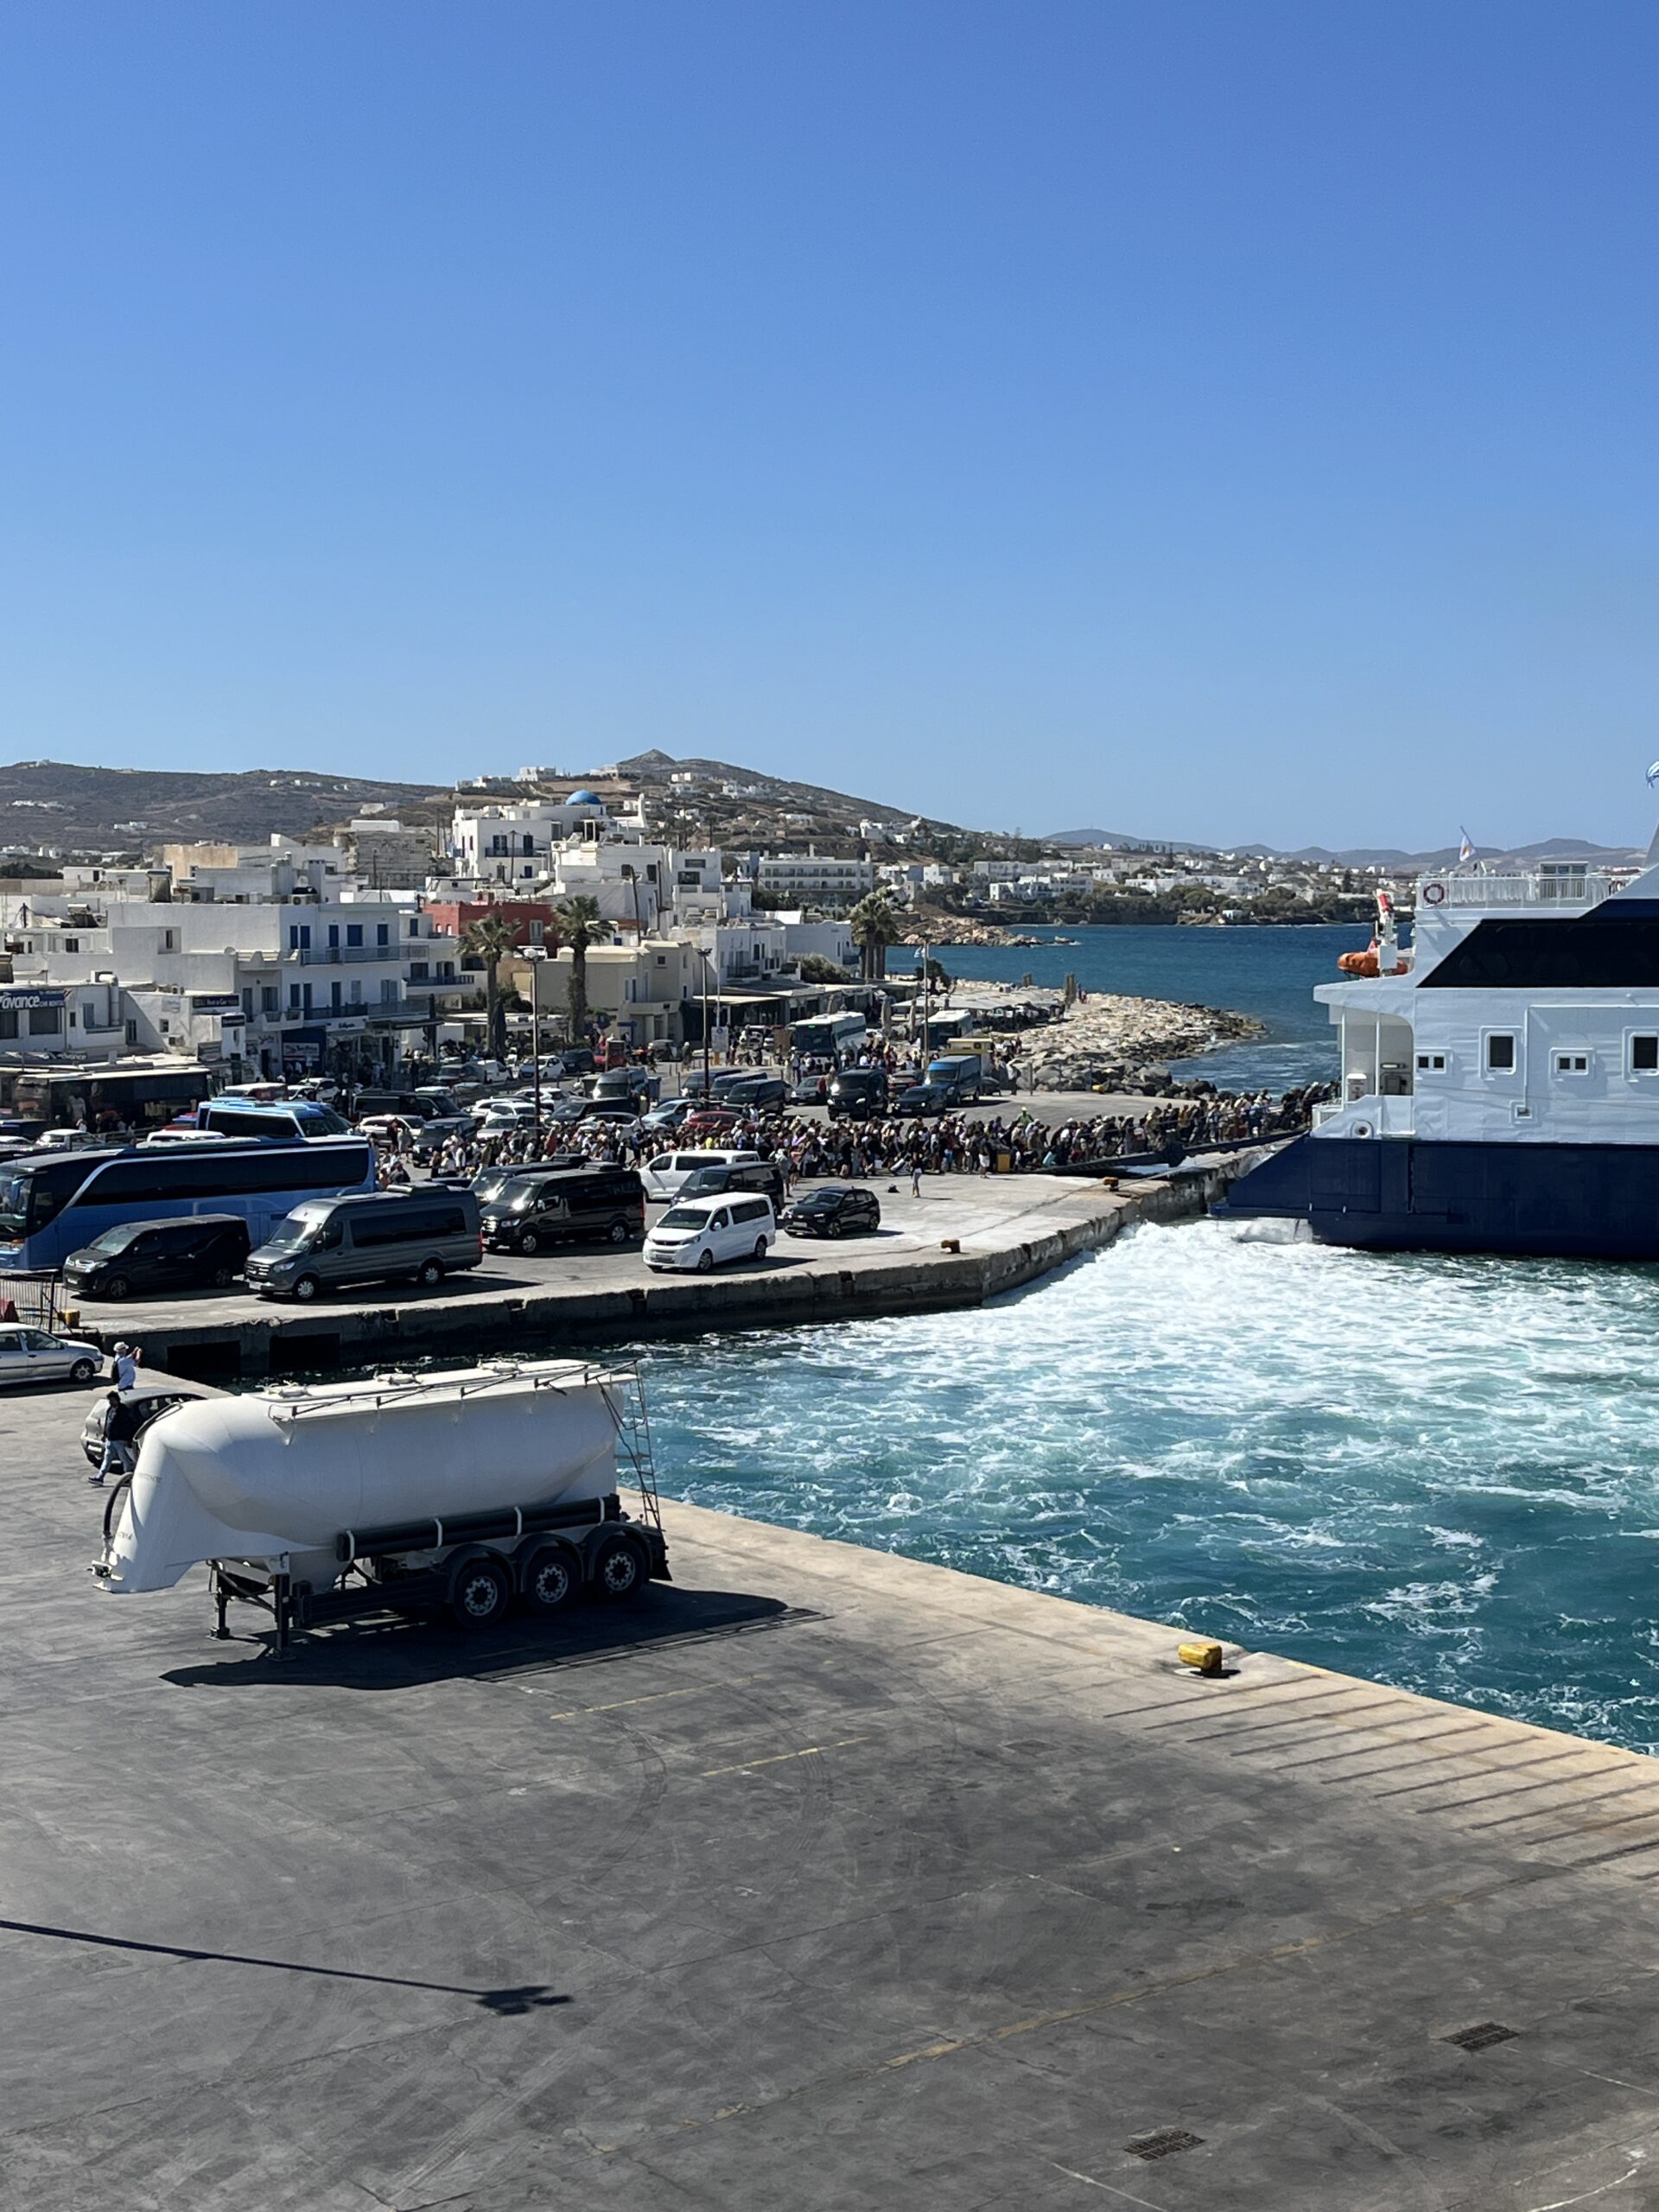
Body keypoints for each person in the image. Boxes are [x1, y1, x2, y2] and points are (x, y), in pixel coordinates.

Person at [91, 1389, 142, 1486]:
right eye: (109, 1401)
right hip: (110, 1440)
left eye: (112, 1400)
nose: (110, 1402)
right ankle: (100, 1478)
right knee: (107, 1459)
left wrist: (127, 1439)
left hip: (120, 1440)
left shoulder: (124, 1411)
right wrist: (105, 1435)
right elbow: (108, 1423)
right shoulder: (110, 1410)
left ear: (117, 1400)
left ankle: (128, 1477)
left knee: (125, 1460)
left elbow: (129, 1426)